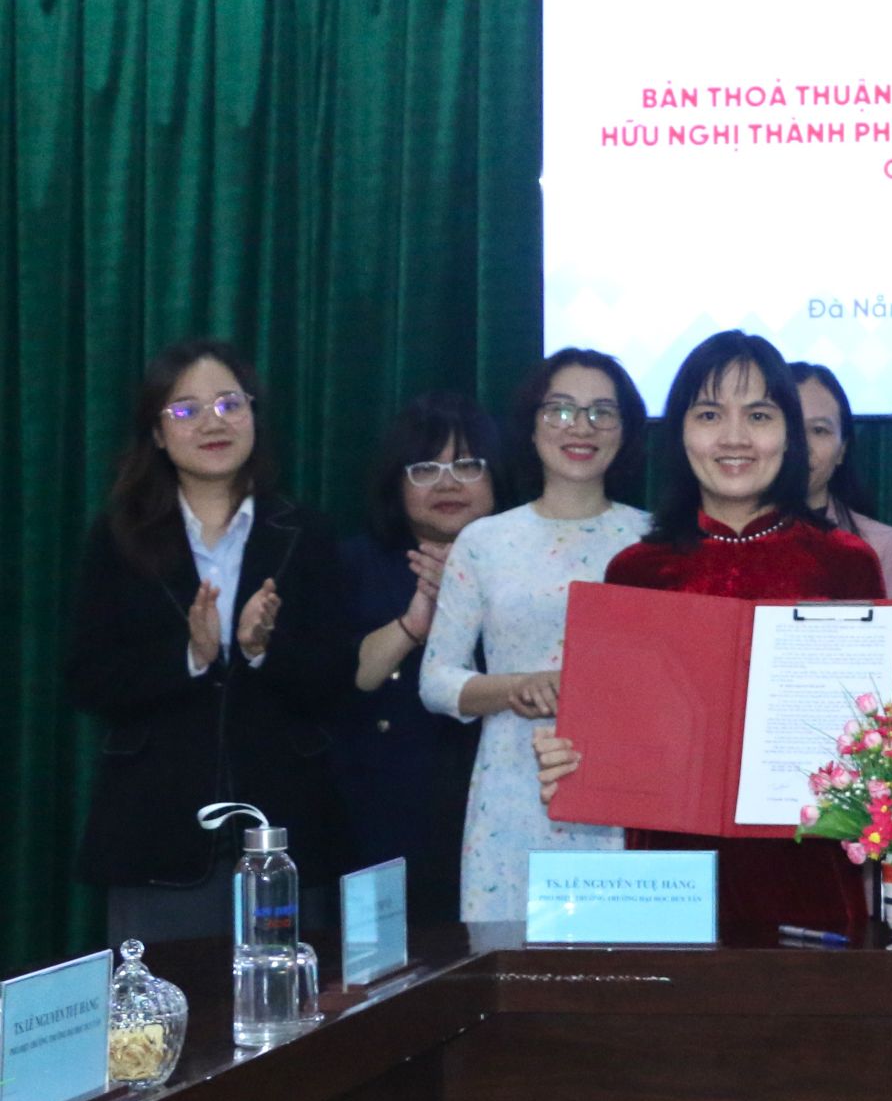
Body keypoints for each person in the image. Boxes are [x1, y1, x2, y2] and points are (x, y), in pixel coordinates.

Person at [536, 332, 886, 936]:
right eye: (708, 415)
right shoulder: (634, 572)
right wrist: (576, 761)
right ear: (679, 433)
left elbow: (875, 737)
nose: (733, 438)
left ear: (790, 434)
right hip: (669, 885)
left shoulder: (846, 563)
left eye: (758, 416)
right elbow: (620, 739)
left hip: (811, 877)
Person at [70, 338, 353, 943]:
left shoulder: (305, 532)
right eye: (185, 410)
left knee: (293, 1023)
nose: (212, 422)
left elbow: (335, 678)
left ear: (254, 414)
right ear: (155, 433)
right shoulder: (119, 537)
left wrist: (259, 650)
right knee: (163, 1024)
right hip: (156, 831)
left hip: (286, 828)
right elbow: (87, 677)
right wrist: (191, 658)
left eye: (229, 403)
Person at [419, 349, 651, 924]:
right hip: (511, 794)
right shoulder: (485, 540)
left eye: (602, 412)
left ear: (626, 430)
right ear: (531, 423)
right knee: (514, 987)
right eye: (561, 410)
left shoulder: (653, 540)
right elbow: (436, 681)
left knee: (630, 983)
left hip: (629, 794)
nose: (581, 427)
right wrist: (518, 687)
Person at [332, 392, 500, 924]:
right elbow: (347, 679)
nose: (448, 483)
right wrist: (414, 623)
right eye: (425, 468)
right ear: (396, 482)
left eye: (468, 465)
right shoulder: (354, 562)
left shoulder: (523, 556)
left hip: (496, 803)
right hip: (381, 810)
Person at [790, 361, 892, 661]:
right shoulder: (719, 542)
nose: (802, 447)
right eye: (788, 427)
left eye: (819, 430)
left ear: (842, 450)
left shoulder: (883, 547)